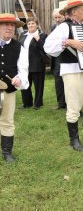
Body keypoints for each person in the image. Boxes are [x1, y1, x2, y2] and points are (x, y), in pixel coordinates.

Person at [44, 0, 83, 151]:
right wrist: (69, 42)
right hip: (72, 71)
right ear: (74, 12)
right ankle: (74, 140)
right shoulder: (65, 27)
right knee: (74, 105)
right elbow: (48, 46)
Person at [0, 13, 29, 162]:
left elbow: (23, 69)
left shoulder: (19, 47)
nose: (10, 28)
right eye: (6, 24)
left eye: (12, 25)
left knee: (7, 120)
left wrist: (19, 79)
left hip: (8, 91)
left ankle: (7, 152)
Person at [19, 17, 47, 110]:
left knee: (38, 85)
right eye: (29, 24)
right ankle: (27, 103)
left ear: (37, 25)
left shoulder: (42, 35)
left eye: (33, 23)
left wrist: (38, 39)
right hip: (24, 64)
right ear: (27, 25)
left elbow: (44, 49)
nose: (31, 25)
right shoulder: (23, 34)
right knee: (25, 84)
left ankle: (37, 104)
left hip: (37, 64)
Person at [50, 9, 66, 110]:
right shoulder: (53, 28)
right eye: (55, 18)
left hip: (66, 58)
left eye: (59, 17)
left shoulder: (67, 27)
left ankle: (69, 103)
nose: (57, 19)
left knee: (68, 81)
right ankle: (60, 103)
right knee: (58, 81)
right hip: (56, 59)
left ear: (63, 17)